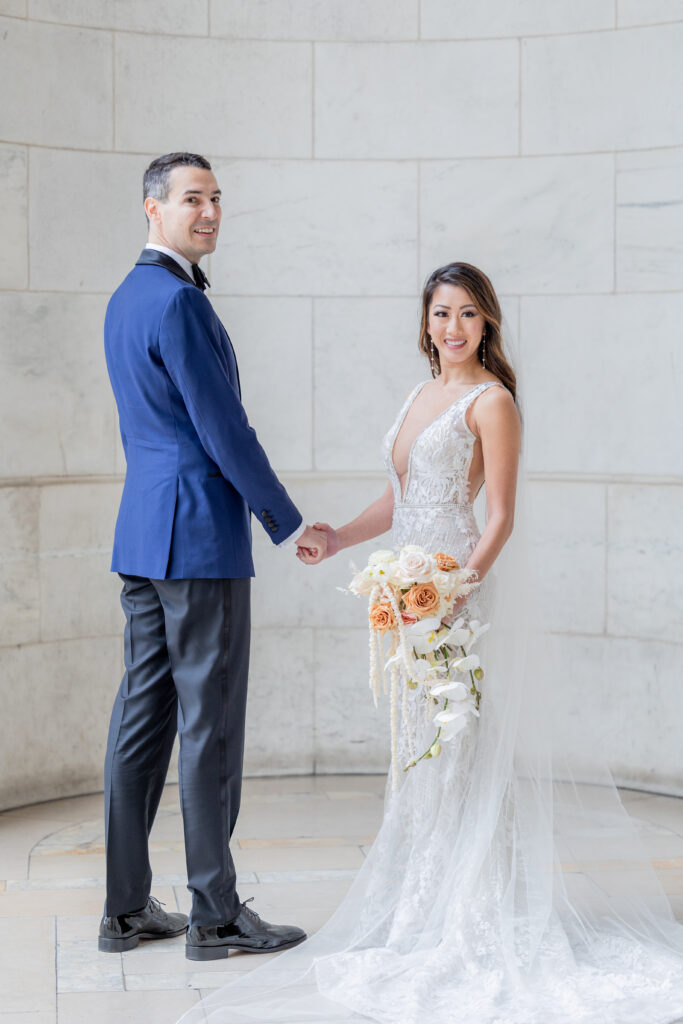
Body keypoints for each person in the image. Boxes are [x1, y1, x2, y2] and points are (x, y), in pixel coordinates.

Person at [177, 262, 683, 1024]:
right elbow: (403, 496)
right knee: (418, 749)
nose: (452, 327)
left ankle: (475, 911)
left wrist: (455, 590)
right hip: (405, 593)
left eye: (468, 315)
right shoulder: (420, 396)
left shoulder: (492, 402)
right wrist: (339, 537)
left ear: (487, 326)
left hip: (452, 591)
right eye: (441, 313)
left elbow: (501, 515)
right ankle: (428, 903)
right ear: (425, 322)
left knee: (460, 746)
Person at [99, 152, 327, 961]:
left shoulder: (126, 299)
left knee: (139, 724)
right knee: (209, 731)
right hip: (197, 539)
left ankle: (124, 910)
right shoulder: (180, 305)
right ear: (152, 208)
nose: (211, 212)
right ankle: (215, 915)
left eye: (217, 198)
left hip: (142, 538)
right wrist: (284, 517)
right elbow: (222, 429)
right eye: (193, 198)